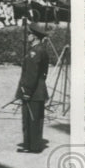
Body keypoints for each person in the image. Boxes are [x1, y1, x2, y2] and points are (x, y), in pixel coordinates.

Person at [16, 23, 50, 153]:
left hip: (33, 91)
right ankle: (32, 145)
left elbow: (32, 74)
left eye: (29, 34)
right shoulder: (41, 50)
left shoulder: (35, 52)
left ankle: (32, 146)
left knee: (31, 119)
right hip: (38, 90)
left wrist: (27, 91)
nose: (27, 36)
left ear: (35, 37)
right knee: (34, 119)